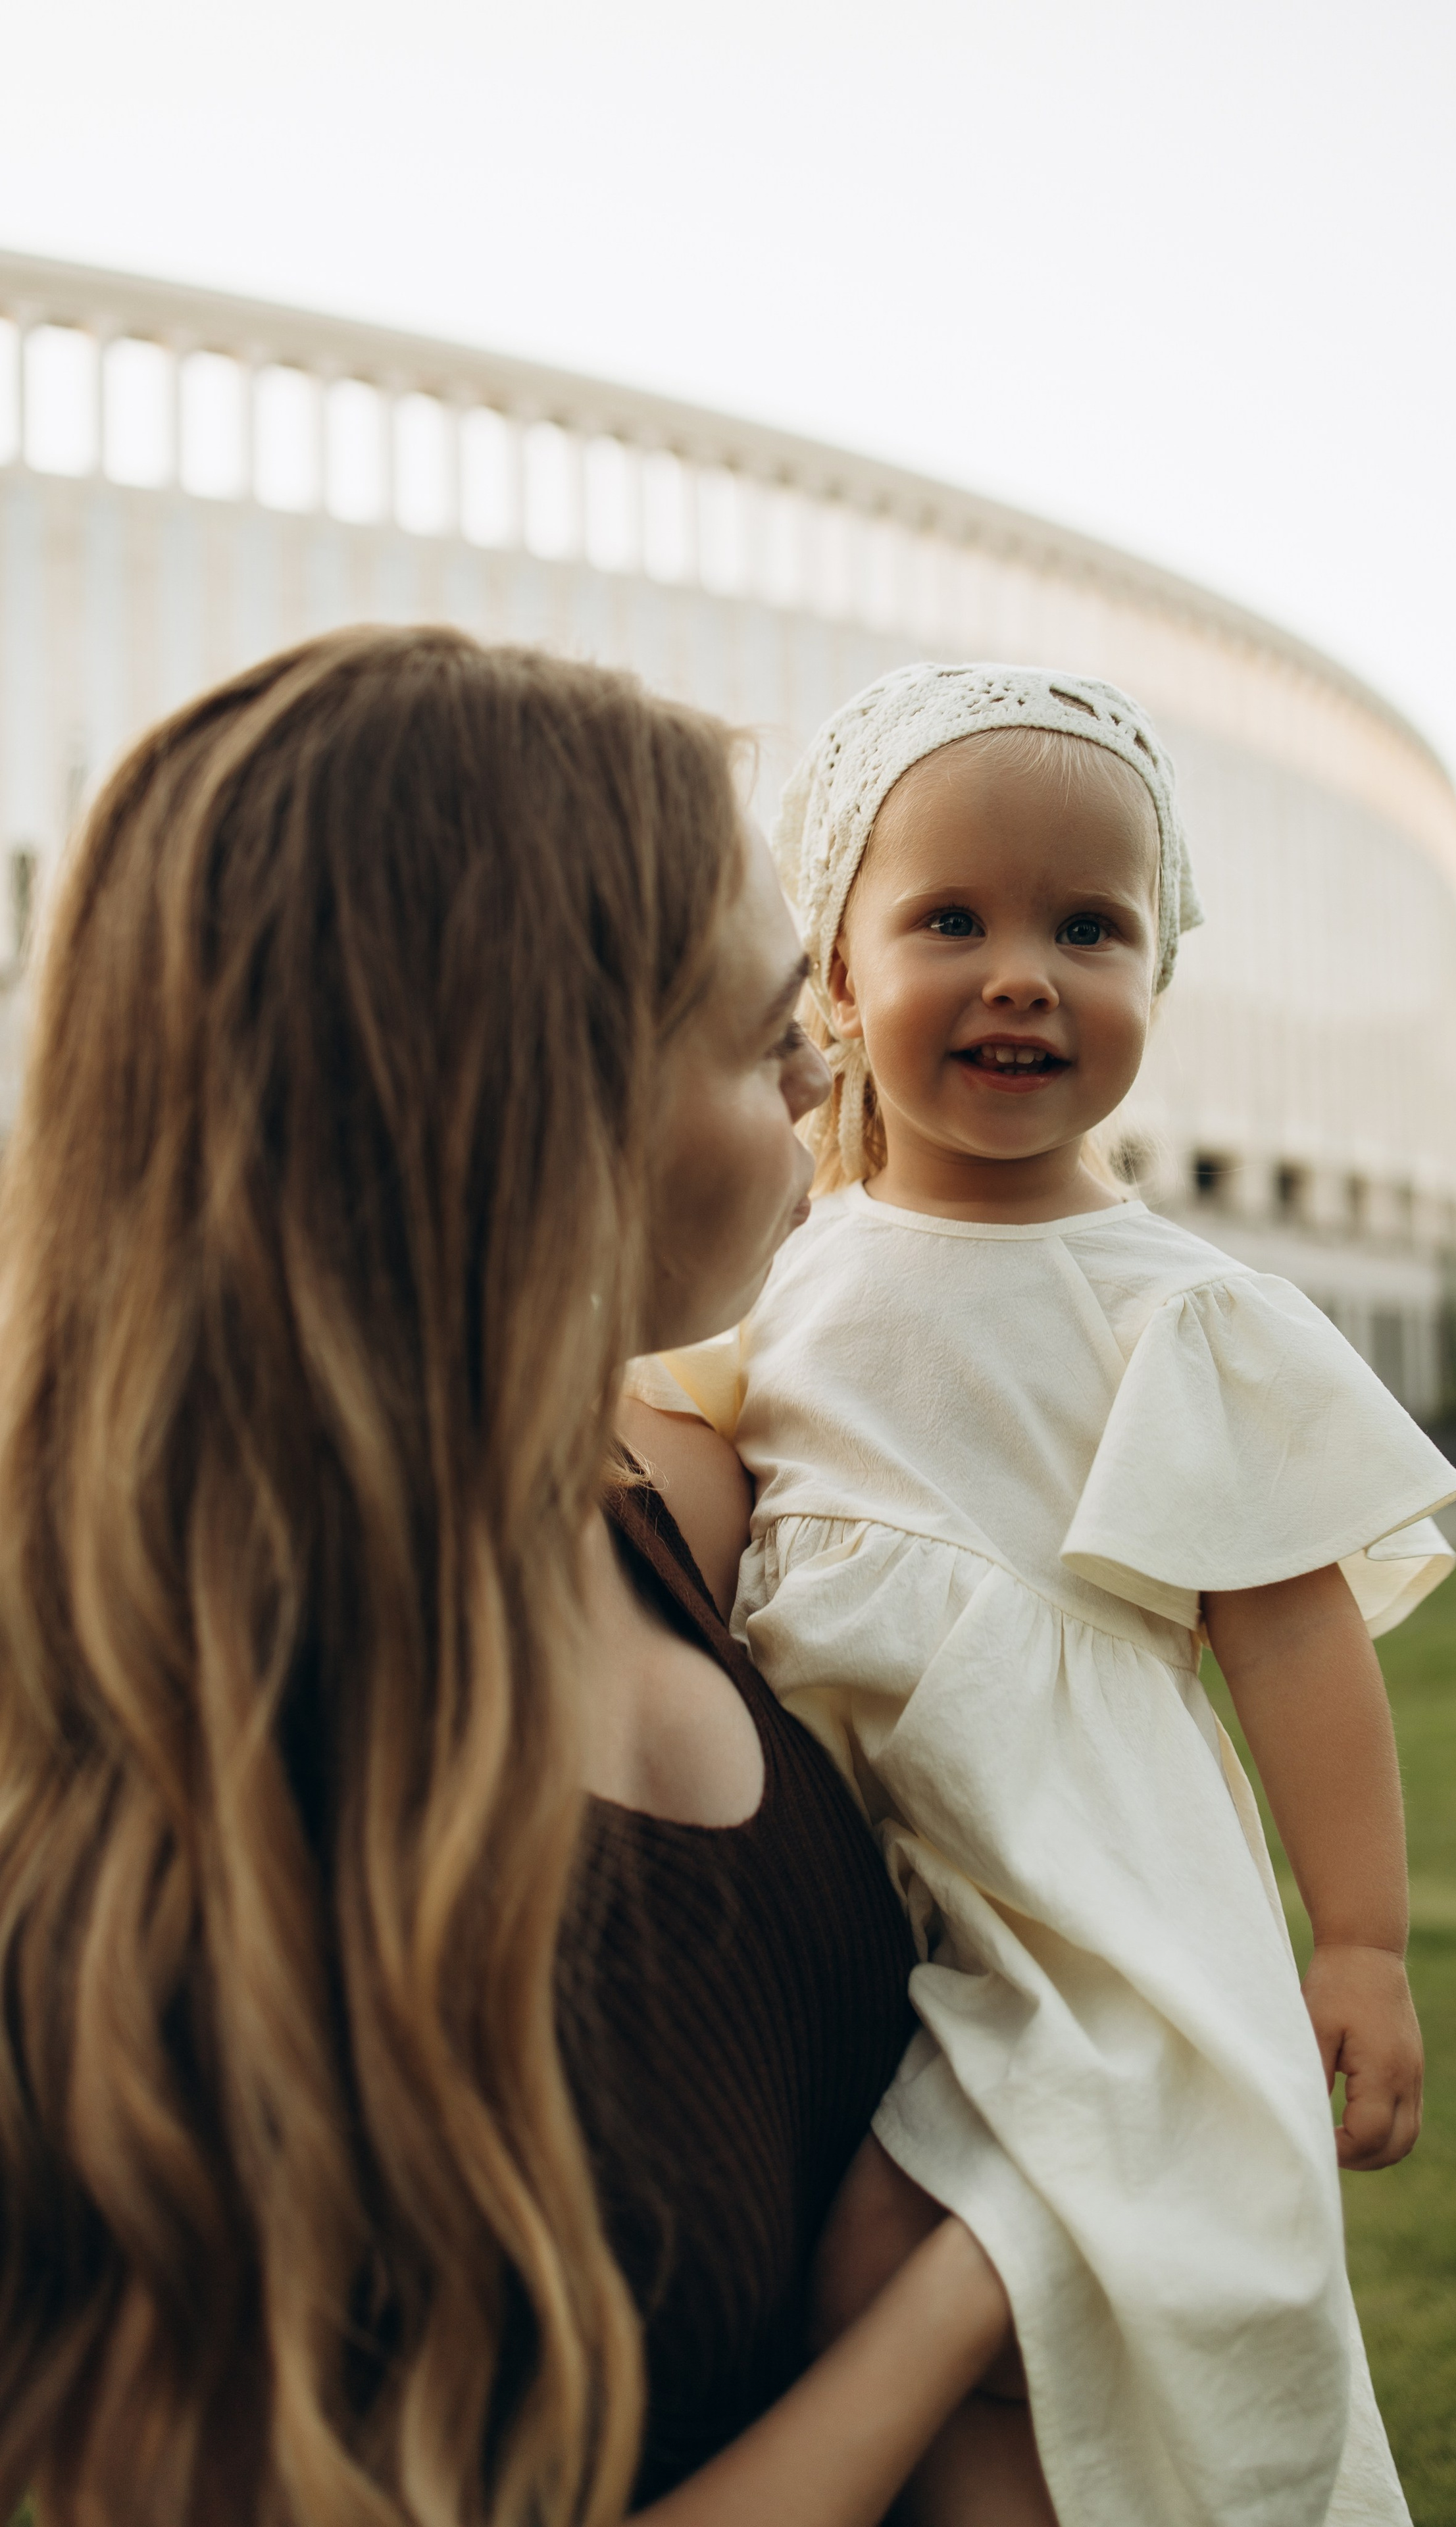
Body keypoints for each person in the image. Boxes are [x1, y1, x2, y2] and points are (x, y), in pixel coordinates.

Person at [0, 626, 1025, 2527]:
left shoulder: (688, 1502)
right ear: (518, 1115)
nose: (826, 1075)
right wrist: (971, 2285)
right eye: (753, 1035)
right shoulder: (135, 1890)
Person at [630, 661, 1456, 2527]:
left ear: (1153, 983)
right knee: (871, 2272)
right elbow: (665, 1447)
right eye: (953, 919)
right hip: (871, 1890)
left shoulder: (1172, 1303)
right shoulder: (796, 1265)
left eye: (1091, 928)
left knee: (911, 2264)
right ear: (835, 986)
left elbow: (1294, 1634)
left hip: (1081, 1887)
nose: (1026, 971)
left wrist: (1360, 1940)